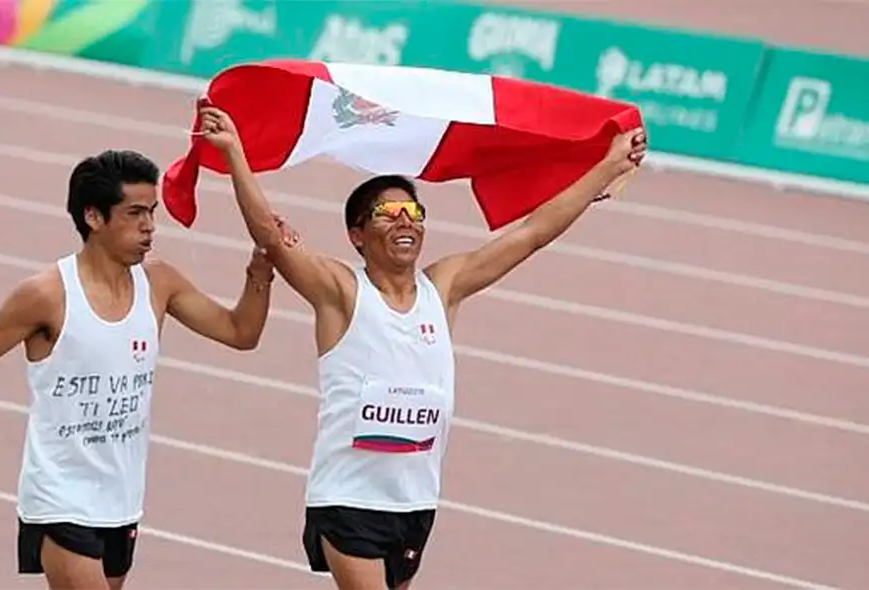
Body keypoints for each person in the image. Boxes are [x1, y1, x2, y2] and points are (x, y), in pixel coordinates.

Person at [195, 105, 646, 590]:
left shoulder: (445, 287)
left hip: (414, 502)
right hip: (350, 501)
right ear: (358, 235)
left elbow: (532, 233)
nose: (404, 222)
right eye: (388, 214)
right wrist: (234, 153)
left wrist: (609, 166)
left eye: (413, 213)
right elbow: (270, 236)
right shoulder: (341, 292)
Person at [0, 149, 299, 590]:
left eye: (151, 212)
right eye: (134, 213)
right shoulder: (46, 295)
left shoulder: (159, 283)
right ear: (93, 217)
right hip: (60, 498)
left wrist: (259, 272)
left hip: (122, 498)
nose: (149, 226)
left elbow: (240, 331)